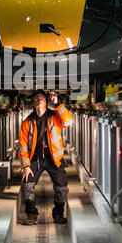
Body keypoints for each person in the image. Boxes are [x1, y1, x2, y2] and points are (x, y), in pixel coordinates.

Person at [18, 90, 73, 225]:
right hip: (35, 159)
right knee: (27, 183)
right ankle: (31, 214)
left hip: (53, 158)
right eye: (36, 96)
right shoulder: (27, 122)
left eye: (42, 96)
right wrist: (26, 166)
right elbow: (22, 146)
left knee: (61, 186)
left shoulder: (55, 116)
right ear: (32, 102)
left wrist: (57, 104)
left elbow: (68, 121)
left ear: (46, 101)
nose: (39, 98)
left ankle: (58, 214)